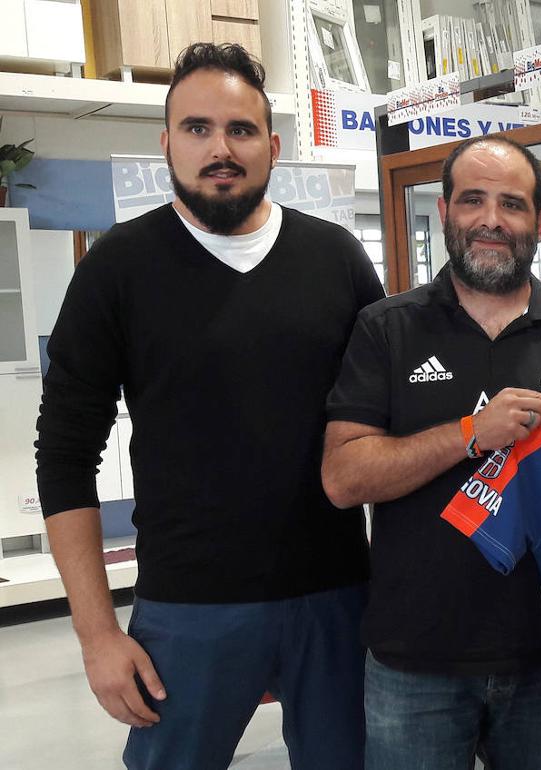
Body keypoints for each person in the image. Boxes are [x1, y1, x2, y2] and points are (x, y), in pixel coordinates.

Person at [34, 43, 383, 769]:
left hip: (337, 601)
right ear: (166, 143)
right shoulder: (116, 271)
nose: (219, 149)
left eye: (241, 130)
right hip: (187, 610)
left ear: (273, 147)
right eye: (196, 129)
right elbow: (65, 457)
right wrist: (98, 636)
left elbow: (387, 424)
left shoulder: (336, 259)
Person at [320, 134, 541, 770]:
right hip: (415, 663)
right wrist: (470, 433)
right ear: (443, 212)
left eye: (512, 204)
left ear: (540, 222)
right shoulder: (385, 329)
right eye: (473, 200)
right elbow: (342, 476)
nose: (491, 220)